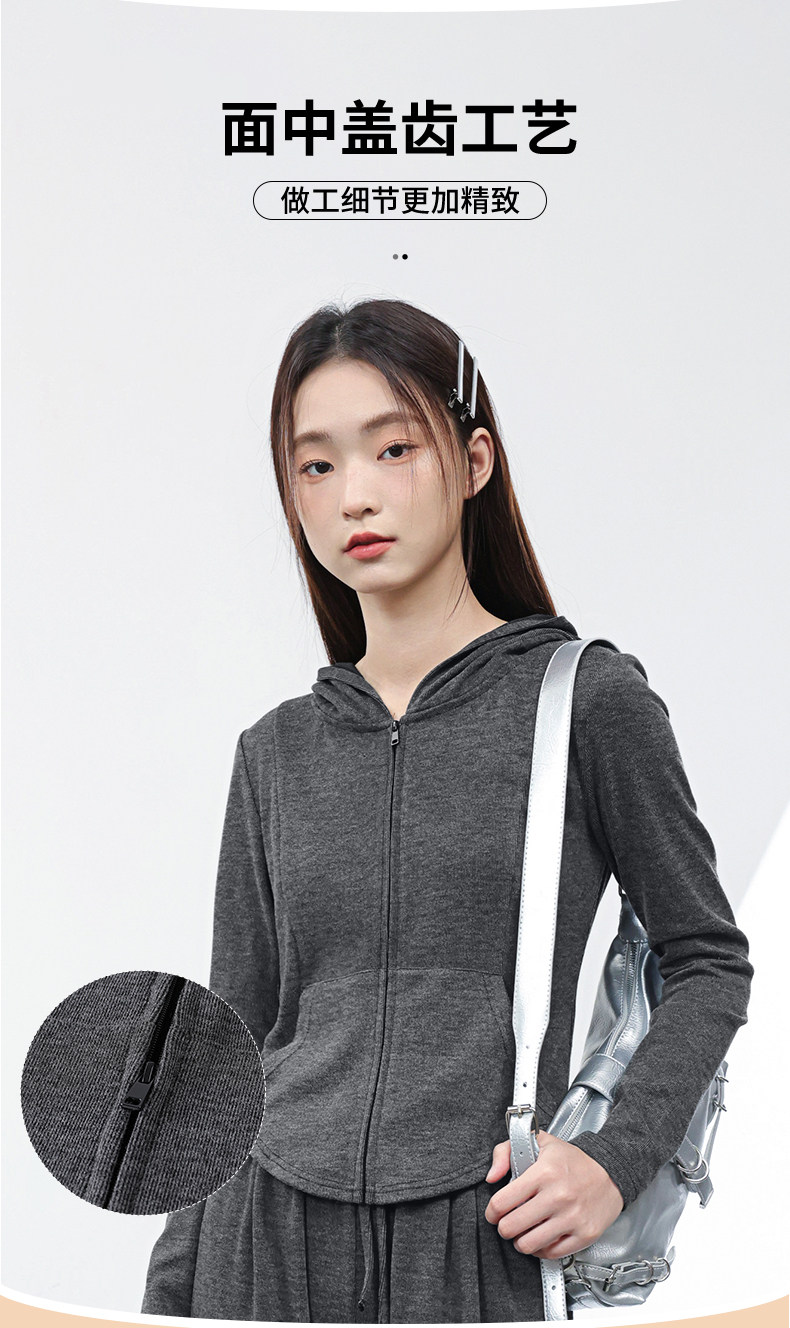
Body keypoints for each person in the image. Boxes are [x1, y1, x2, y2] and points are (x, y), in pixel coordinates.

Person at [140, 298, 753, 1323]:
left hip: (479, 1236)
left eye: (394, 448)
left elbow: (707, 959)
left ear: (474, 462)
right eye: (315, 465)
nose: (355, 495)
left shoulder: (587, 702)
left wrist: (611, 1159)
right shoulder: (274, 751)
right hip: (263, 1240)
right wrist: (166, 1299)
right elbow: (228, 1049)